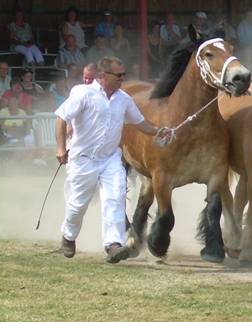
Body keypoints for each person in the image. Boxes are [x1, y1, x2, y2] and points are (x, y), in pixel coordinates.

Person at [55, 57, 171, 263]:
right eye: (119, 75)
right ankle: (69, 236)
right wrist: (61, 147)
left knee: (115, 198)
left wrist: (158, 131)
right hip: (83, 159)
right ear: (102, 76)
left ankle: (113, 245)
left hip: (110, 159)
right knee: (77, 205)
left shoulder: (124, 99)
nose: (122, 79)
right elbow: (61, 117)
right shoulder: (83, 93)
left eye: (123, 74)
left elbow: (140, 123)